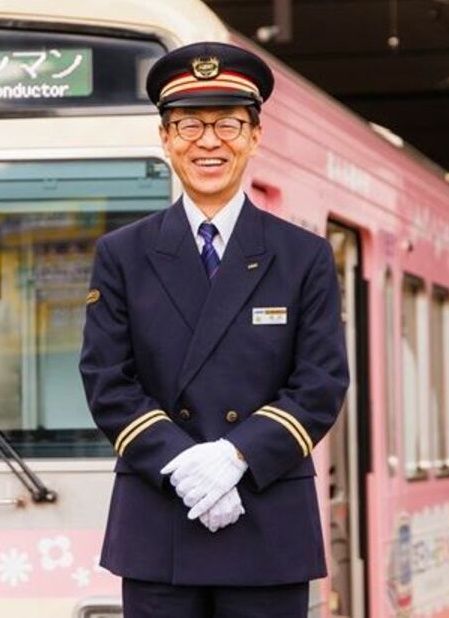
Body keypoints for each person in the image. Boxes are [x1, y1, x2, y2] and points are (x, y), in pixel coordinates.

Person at [79, 41, 349, 618]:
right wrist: (186, 466)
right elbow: (107, 380)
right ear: (165, 139)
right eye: (189, 125)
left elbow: (322, 382)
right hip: (160, 523)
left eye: (228, 124)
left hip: (266, 522)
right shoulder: (123, 255)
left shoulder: (303, 256)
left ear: (254, 136)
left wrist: (235, 457)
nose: (209, 142)